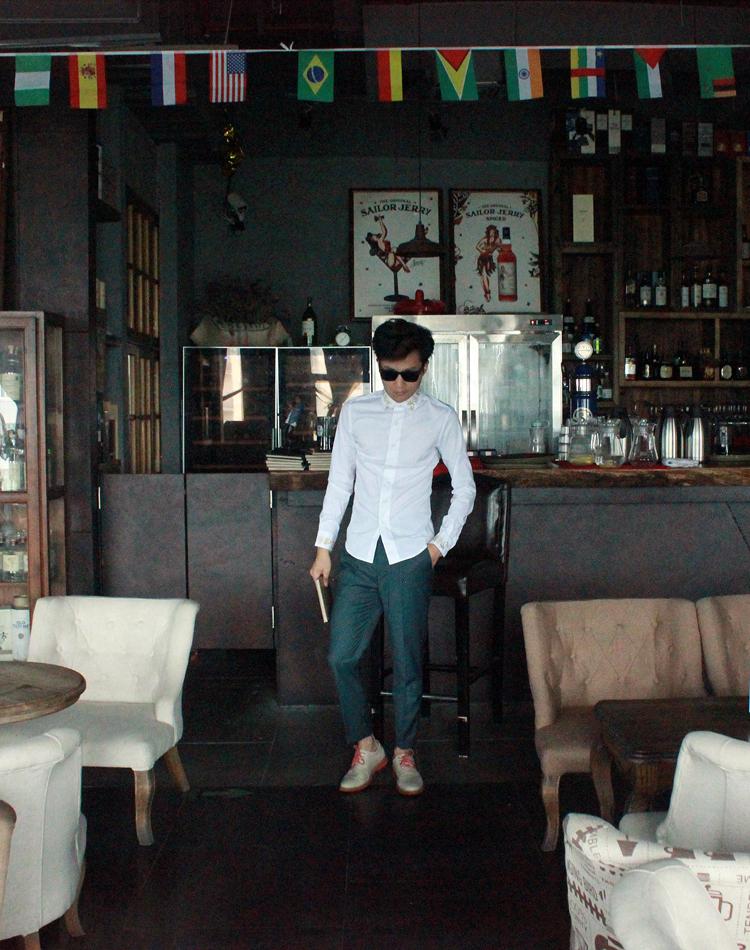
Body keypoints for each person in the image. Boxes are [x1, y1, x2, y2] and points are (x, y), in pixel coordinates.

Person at [309, 318, 476, 797]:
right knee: (342, 655)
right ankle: (366, 745)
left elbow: (464, 488)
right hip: (359, 554)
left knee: (407, 662)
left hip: (409, 555)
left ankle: (404, 750)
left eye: (410, 374)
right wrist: (323, 547)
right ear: (377, 366)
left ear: (425, 368)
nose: (399, 384)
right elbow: (340, 483)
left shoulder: (440, 417)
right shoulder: (356, 413)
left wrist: (438, 546)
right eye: (389, 373)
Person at [475, 225, 500, 302]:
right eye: (490, 232)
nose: (491, 233)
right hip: (483, 258)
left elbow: (499, 248)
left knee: (487, 275)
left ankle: (487, 292)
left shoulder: (497, 240)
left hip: (490, 259)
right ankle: (487, 293)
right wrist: (482, 251)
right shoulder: (485, 239)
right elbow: (477, 246)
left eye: (493, 232)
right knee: (484, 275)